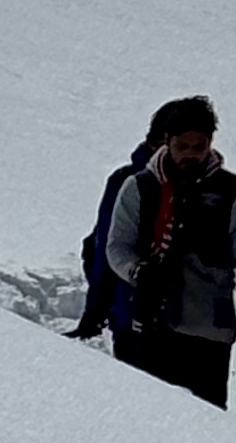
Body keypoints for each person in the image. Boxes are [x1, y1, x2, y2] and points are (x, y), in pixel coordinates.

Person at [103, 97, 236, 410]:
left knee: (207, 426)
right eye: (183, 146)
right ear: (167, 142)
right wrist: (138, 272)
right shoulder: (140, 187)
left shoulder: (229, 190)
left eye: (200, 146)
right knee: (147, 417)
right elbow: (116, 247)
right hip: (147, 325)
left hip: (209, 332)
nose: (191, 155)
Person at [72, 111, 169, 356]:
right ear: (154, 141)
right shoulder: (128, 181)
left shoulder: (210, 184)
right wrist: (96, 311)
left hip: (192, 322)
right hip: (132, 311)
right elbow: (105, 247)